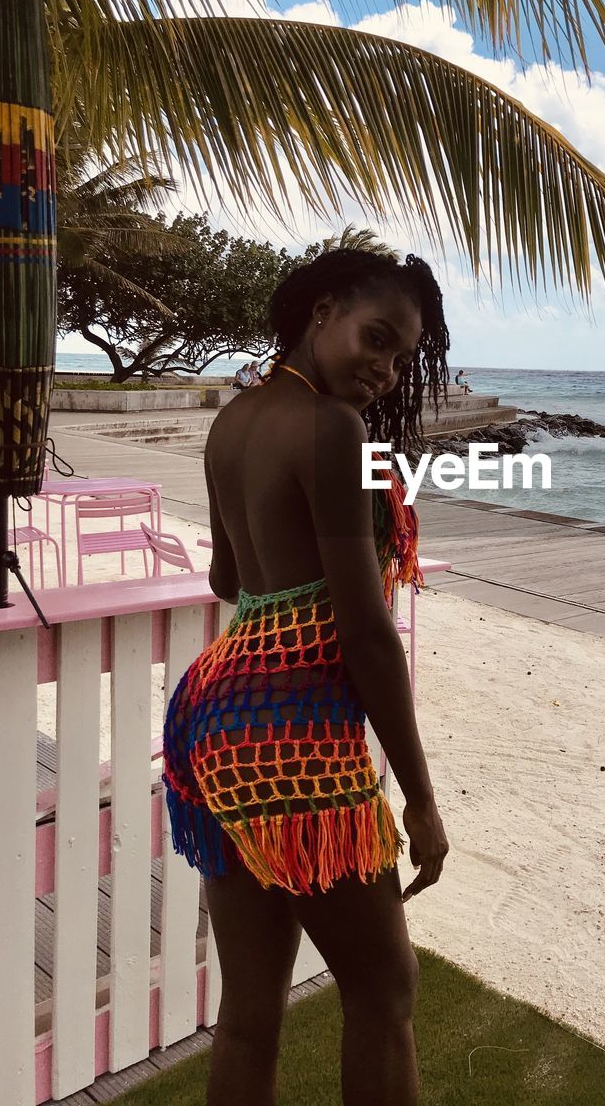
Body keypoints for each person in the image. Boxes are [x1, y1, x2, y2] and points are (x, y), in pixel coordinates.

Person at [162, 245, 451, 1106]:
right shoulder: (333, 429)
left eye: (403, 357)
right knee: (383, 992)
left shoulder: (232, 421)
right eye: (376, 338)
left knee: (250, 1008)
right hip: (293, 736)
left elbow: (227, 580)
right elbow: (365, 634)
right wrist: (422, 797)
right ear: (320, 311)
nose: (387, 370)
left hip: (212, 724)